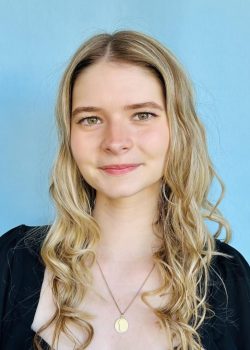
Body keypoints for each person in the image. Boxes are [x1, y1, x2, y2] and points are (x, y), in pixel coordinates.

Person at [0, 30, 249, 350]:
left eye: (142, 115)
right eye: (91, 119)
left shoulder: (231, 281)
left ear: (178, 128)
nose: (116, 142)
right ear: (70, 136)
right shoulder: (12, 262)